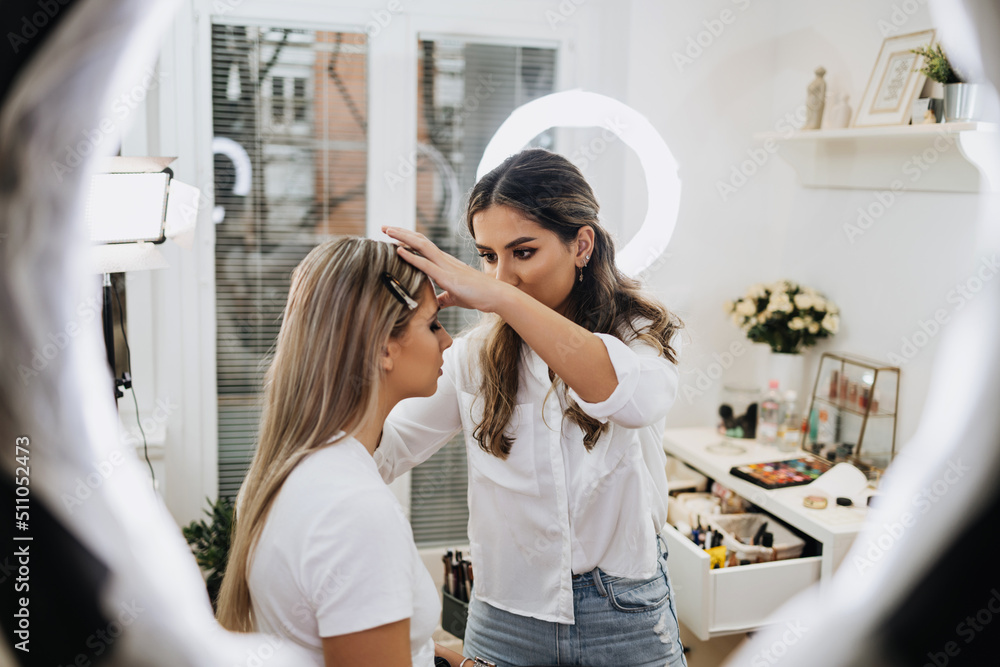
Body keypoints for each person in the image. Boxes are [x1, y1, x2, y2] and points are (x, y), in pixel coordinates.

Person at [378, 148, 687, 667]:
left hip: (625, 614)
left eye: (523, 252)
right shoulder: (472, 356)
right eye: (488, 257)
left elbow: (633, 401)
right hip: (506, 617)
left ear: (581, 244)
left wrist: (499, 300)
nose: (501, 278)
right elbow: (386, 448)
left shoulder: (634, 336)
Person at [215, 238, 467, 667]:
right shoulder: (354, 512)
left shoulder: (289, 471)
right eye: (432, 324)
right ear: (385, 347)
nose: (447, 342)